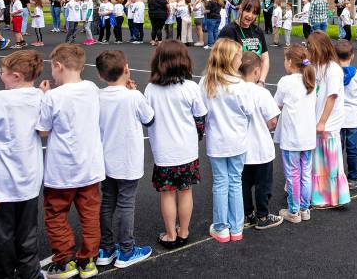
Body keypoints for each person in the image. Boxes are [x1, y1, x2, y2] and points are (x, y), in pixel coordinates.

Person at [36, 44, 105, 278]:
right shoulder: (92, 88)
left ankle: (65, 260)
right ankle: (88, 260)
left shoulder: (53, 96)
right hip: (90, 167)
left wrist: (44, 96)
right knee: (90, 215)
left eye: (53, 69)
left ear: (58, 66)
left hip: (61, 170)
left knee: (55, 214)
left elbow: (43, 130)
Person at [144, 40, 208, 250]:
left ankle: (171, 234)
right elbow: (200, 118)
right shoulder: (190, 87)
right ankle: (184, 231)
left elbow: (147, 117)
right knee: (185, 191)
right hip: (187, 150)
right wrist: (197, 135)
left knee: (167, 193)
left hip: (164, 152)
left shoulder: (151, 89)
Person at [95, 50, 155, 269]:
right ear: (127, 69)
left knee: (108, 201)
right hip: (128, 160)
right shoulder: (134, 97)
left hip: (105, 159)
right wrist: (135, 92)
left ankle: (106, 247)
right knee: (126, 203)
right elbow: (150, 118)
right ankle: (127, 250)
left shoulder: (98, 96)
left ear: (101, 76)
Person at [0, 50, 44, 279]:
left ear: (15, 76)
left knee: (2, 236)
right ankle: (30, 273)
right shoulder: (41, 98)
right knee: (28, 235)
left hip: (2, 184)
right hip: (29, 181)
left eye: (2, 72)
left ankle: (5, 273)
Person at [200, 39, 253, 243]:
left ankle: (221, 227)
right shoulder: (241, 85)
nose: (242, 59)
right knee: (235, 181)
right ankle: (237, 227)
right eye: (239, 56)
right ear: (231, 59)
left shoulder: (206, 82)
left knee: (221, 182)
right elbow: (248, 110)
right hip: (238, 141)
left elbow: (201, 111)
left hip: (217, 141)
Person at [237, 52, 283, 230]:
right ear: (256, 71)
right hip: (261, 148)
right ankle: (263, 216)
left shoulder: (234, 91)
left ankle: (247, 214)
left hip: (240, 148)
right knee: (263, 184)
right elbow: (272, 120)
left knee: (243, 184)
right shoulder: (261, 92)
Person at [273, 46, 317, 223]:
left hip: (292, 137)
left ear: (290, 62)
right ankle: (305, 208)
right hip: (307, 136)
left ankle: (293, 210)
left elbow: (276, 104)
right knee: (305, 172)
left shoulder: (286, 81)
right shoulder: (312, 80)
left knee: (293, 174)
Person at [307, 32, 351, 208]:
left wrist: (322, 122)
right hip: (317, 117)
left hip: (328, 120)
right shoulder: (316, 65)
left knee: (329, 160)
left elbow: (331, 97)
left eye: (310, 46)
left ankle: (333, 197)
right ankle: (318, 195)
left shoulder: (333, 69)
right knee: (317, 161)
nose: (308, 49)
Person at [217, 0, 270, 83]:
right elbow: (220, 61)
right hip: (235, 85)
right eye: (248, 11)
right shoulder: (229, 31)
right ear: (241, 9)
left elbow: (265, 58)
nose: (250, 16)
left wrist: (261, 82)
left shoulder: (258, 31)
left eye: (254, 13)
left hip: (255, 85)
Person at [336, 40, 357, 189]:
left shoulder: (333, 74)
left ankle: (337, 177)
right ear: (352, 56)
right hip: (353, 116)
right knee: (352, 149)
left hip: (337, 117)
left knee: (338, 148)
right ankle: (353, 177)